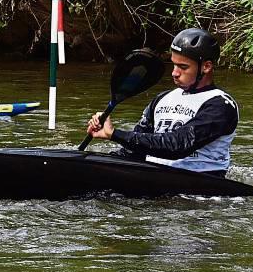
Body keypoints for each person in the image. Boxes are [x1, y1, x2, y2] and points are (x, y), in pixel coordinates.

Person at [86, 28, 239, 177]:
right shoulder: (162, 98)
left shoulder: (221, 105)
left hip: (199, 184)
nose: (174, 73)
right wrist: (95, 162)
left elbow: (177, 145)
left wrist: (115, 134)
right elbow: (135, 149)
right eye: (174, 64)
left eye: (183, 67)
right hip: (153, 175)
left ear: (206, 66)